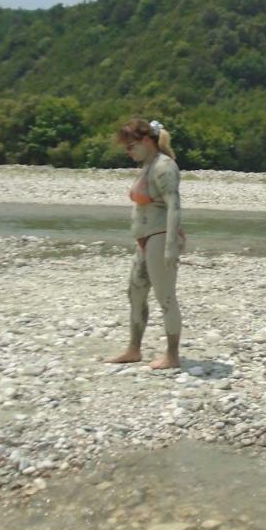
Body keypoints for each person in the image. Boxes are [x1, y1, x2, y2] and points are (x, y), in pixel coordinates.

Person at [105, 118, 185, 369]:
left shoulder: (164, 166)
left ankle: (172, 355)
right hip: (145, 239)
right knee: (135, 292)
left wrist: (172, 245)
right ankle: (134, 349)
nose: (128, 152)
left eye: (131, 146)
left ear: (147, 141)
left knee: (165, 297)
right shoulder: (147, 165)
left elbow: (174, 206)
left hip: (160, 237)